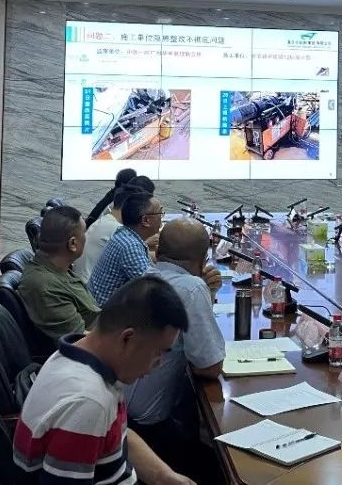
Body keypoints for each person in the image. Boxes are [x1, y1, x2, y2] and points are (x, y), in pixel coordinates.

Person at [13, 276, 193, 485]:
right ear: (127, 338)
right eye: (158, 352)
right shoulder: (88, 403)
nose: (159, 363)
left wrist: (164, 477)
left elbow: (115, 434)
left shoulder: (80, 356)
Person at [126, 219, 225, 482]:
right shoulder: (191, 288)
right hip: (148, 433)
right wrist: (203, 288)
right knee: (214, 464)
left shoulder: (146, 275)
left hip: (125, 417)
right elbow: (209, 366)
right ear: (203, 260)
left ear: (158, 253)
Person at [17, 205, 100, 340]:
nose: (86, 237)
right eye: (84, 232)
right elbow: (79, 341)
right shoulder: (46, 287)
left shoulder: (58, 268)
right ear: (72, 244)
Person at [89, 195, 165, 306]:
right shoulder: (130, 246)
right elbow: (155, 287)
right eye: (160, 213)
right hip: (104, 313)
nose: (162, 217)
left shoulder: (125, 233)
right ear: (146, 220)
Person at [79, 188, 149, 284]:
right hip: (88, 283)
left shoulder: (106, 219)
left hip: (84, 277)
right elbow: (141, 268)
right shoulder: (117, 228)